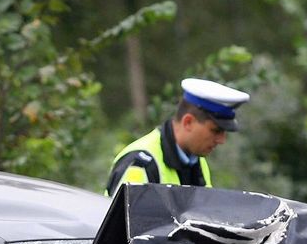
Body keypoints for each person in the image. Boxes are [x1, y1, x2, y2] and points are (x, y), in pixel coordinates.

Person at [105, 78, 250, 196]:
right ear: (188, 122)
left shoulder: (196, 160)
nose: (222, 140)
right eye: (215, 130)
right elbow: (122, 230)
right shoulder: (140, 165)